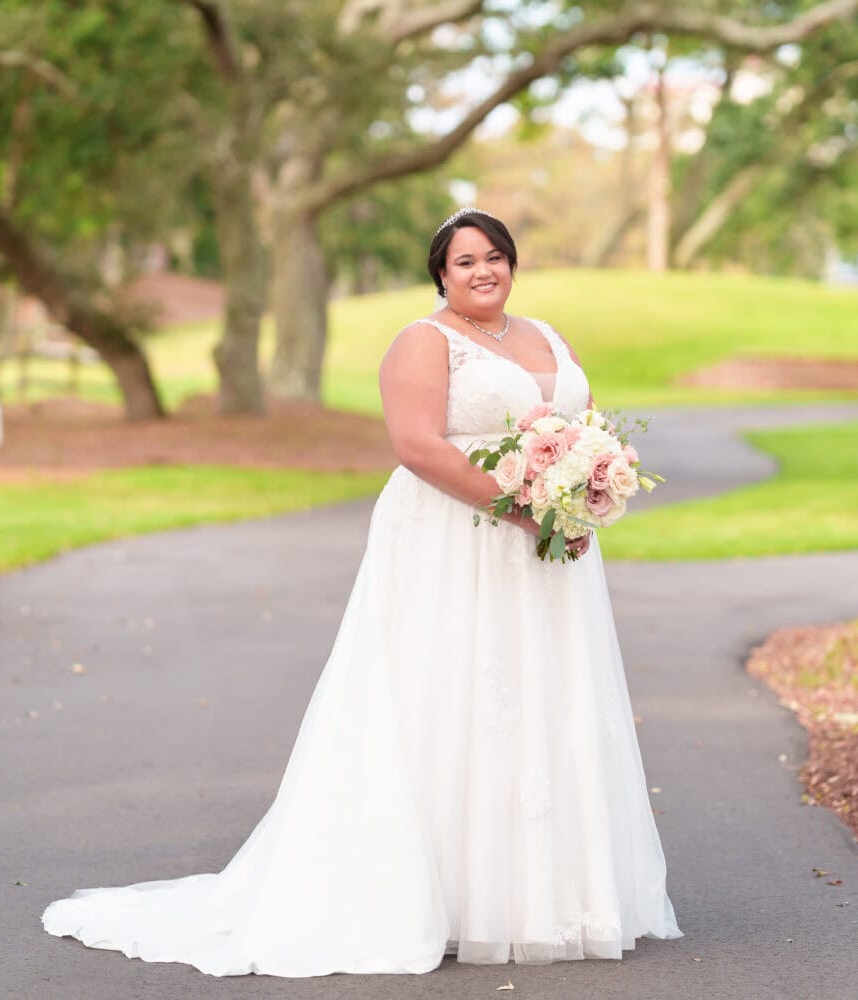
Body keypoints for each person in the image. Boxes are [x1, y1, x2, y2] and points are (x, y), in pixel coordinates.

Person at [41, 208, 683, 976]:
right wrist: (520, 508)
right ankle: (439, 897)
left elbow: (582, 426)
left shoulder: (549, 336)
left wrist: (585, 491)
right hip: (459, 540)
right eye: (465, 260)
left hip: (551, 549)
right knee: (451, 697)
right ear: (441, 274)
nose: (483, 271)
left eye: (496, 257)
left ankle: (542, 899)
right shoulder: (424, 341)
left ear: (513, 265)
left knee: (544, 696)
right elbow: (415, 447)